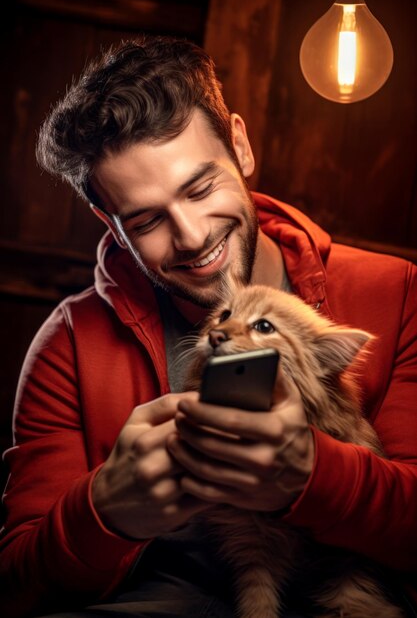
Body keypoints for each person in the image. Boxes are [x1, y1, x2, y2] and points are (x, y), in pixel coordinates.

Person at [0, 34, 416, 618]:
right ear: (110, 223)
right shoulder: (68, 344)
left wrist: (312, 476)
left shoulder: (394, 293)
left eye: (200, 188)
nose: (193, 236)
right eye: (145, 219)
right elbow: (16, 583)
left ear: (240, 147)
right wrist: (105, 510)